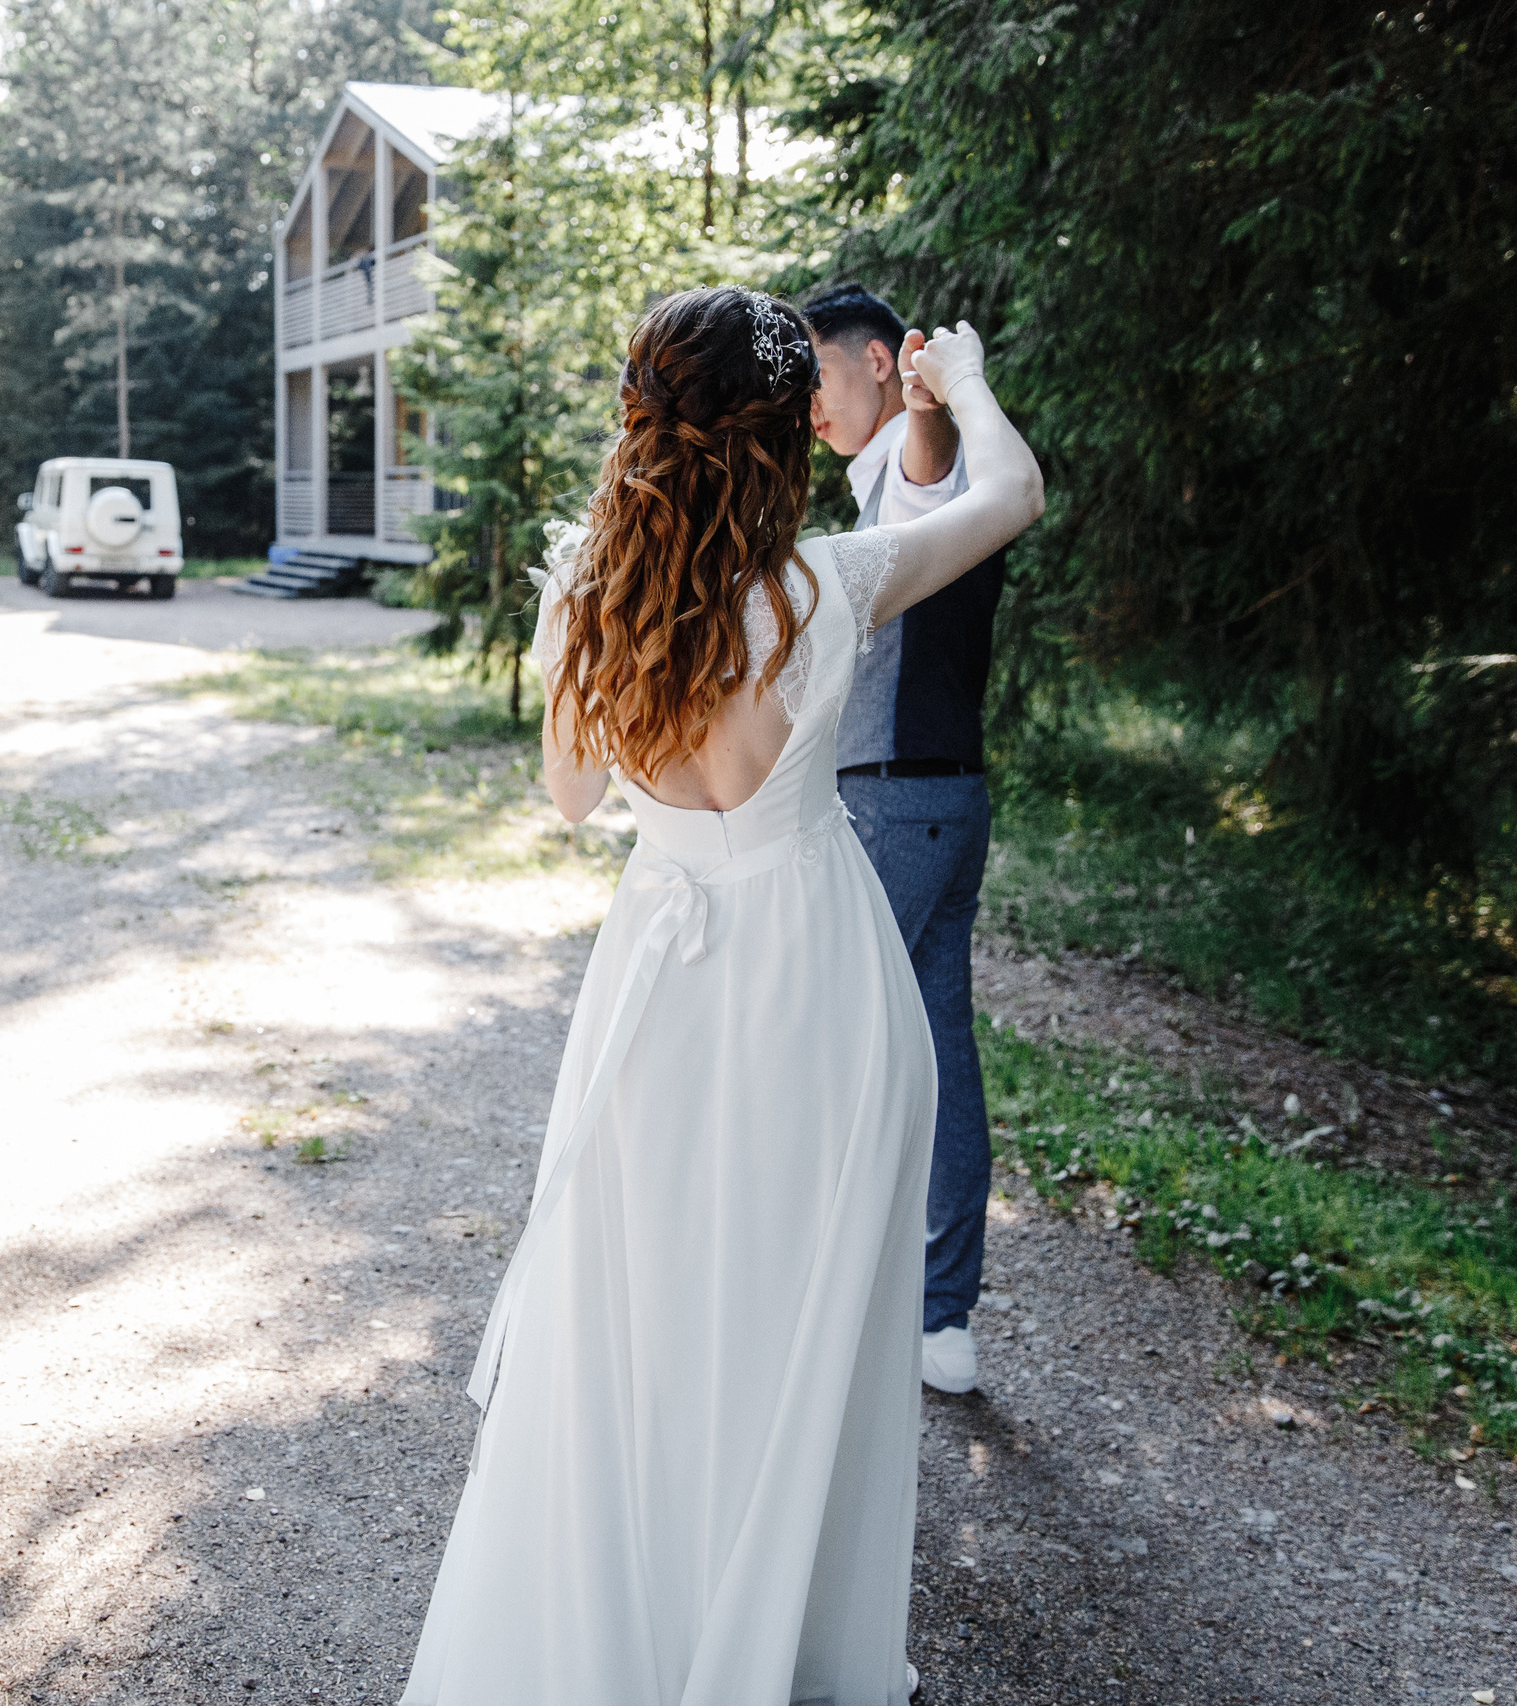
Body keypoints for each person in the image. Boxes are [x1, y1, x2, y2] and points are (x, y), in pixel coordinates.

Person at [399, 287, 1043, 1706]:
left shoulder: (591, 593)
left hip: (662, 975)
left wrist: (602, 576)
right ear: (786, 439)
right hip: (817, 977)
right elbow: (1010, 492)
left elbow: (572, 798)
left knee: (646, 1306)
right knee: (794, 1318)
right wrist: (972, 385)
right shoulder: (825, 584)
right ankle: (778, 1639)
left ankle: (645, 1633)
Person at [802, 281, 1004, 1397]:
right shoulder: (877, 469)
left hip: (895, 796)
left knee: (832, 1036)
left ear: (880, 364)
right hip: (944, 797)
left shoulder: (913, 456)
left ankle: (872, 1303)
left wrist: (930, 397)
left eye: (820, 380)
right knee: (938, 1045)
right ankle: (939, 1314)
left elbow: (924, 461)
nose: (808, 408)